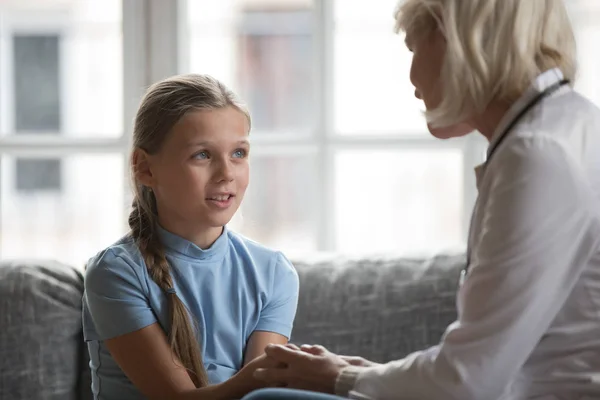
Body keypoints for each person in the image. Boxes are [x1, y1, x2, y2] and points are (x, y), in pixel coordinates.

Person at [244, 0, 600, 399]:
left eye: (414, 48)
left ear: (460, 42)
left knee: (267, 398)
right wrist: (355, 370)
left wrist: (340, 378)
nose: (412, 78)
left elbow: (467, 382)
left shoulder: (537, 155)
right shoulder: (573, 125)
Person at [82, 74, 300, 400]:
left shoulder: (274, 273)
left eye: (238, 153)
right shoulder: (115, 273)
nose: (227, 173)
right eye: (202, 155)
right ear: (146, 169)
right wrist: (270, 376)